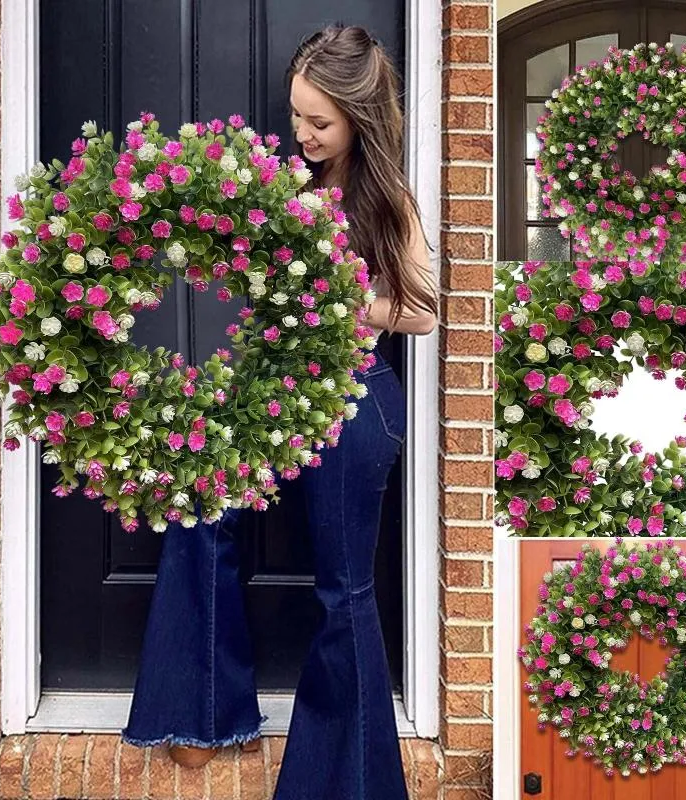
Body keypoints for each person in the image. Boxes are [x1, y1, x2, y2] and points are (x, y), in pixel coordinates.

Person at [121, 24, 438, 799]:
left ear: (359, 118)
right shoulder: (286, 182)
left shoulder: (383, 194)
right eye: (297, 116)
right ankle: (200, 714)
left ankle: (345, 782)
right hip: (276, 387)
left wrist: (342, 303)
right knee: (201, 505)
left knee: (344, 591)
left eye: (318, 122)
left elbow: (424, 310)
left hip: (357, 394)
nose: (301, 133)